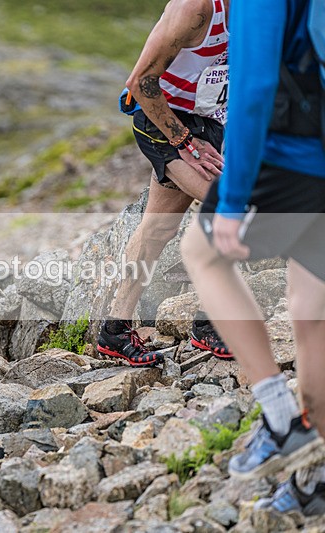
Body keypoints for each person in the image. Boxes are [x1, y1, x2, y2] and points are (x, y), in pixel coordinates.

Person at [181, 0, 325, 515]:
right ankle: (318, 482)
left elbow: (255, 85)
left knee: (201, 254)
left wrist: (234, 198)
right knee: (311, 309)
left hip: (292, 155)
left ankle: (281, 417)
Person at [95, 0, 234, 367]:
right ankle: (209, 323)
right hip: (163, 123)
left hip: (208, 121)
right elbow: (140, 83)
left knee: (157, 229)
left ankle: (114, 329)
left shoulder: (263, 13)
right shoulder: (196, 9)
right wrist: (185, 142)